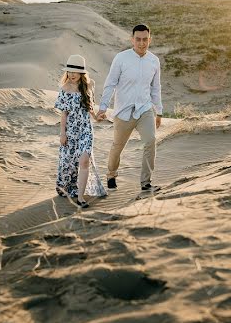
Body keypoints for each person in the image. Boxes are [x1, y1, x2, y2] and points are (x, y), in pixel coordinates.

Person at [95, 24, 163, 192]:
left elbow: (156, 88)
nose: (141, 43)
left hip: (144, 110)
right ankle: (111, 174)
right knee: (117, 146)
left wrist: (159, 111)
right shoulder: (121, 58)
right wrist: (103, 107)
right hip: (123, 111)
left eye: (145, 39)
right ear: (132, 39)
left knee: (151, 141)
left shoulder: (154, 61)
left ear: (150, 39)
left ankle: (146, 182)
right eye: (138, 39)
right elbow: (110, 84)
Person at [55, 54, 107, 208]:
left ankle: (80, 198)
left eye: (75, 72)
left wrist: (97, 118)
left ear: (82, 73)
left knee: (84, 160)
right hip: (70, 131)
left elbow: (89, 107)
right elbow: (63, 114)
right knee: (69, 164)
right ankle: (67, 187)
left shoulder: (89, 85)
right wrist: (62, 133)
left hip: (85, 130)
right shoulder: (64, 89)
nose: (71, 75)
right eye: (69, 71)